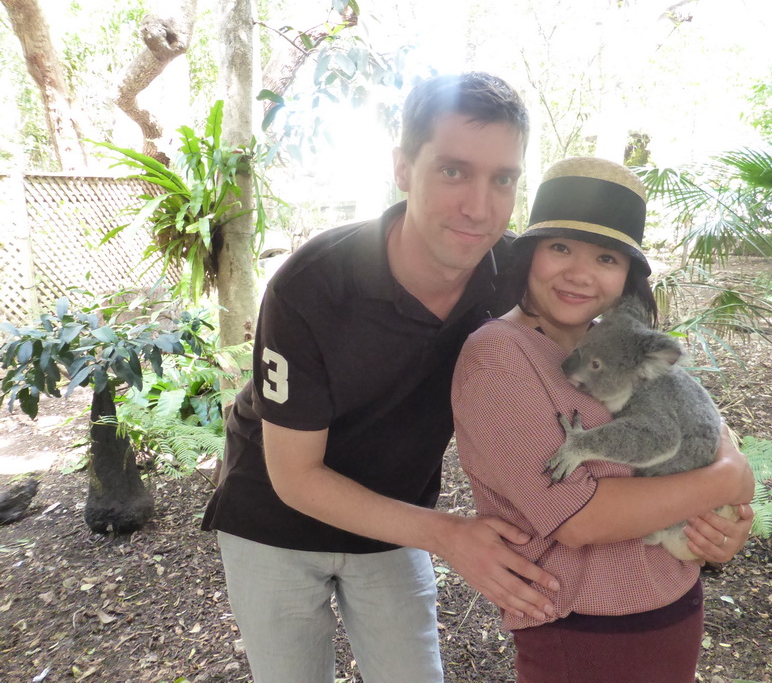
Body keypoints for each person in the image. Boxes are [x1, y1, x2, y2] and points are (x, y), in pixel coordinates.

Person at [202, 72, 562, 683]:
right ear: (402, 168)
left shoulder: (513, 273)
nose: (480, 206)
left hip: (395, 513)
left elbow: (621, 355)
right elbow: (296, 477)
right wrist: (449, 536)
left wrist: (716, 472)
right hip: (273, 516)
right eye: (454, 171)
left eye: (502, 178)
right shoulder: (310, 286)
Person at [451, 156, 756, 683]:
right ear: (529, 255)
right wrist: (727, 479)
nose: (579, 273)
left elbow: (705, 424)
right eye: (561, 248)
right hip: (584, 628)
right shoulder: (497, 355)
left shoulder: (617, 341)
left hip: (674, 602)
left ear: (626, 279)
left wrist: (723, 522)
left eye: (607, 258)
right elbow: (580, 519)